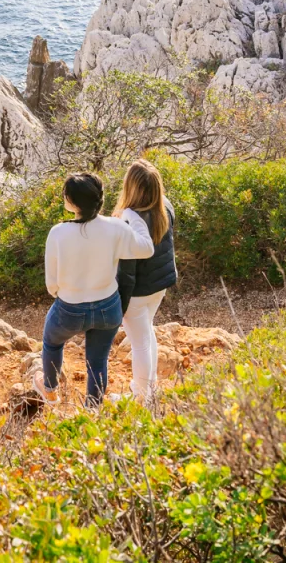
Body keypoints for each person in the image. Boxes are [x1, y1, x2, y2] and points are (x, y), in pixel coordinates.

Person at [33, 172, 154, 407]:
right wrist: (133, 216)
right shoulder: (116, 227)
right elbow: (146, 249)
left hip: (69, 309)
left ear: (71, 201)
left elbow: (52, 284)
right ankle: (93, 410)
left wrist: (64, 293)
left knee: (52, 343)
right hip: (107, 308)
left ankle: (50, 391)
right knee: (97, 361)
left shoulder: (58, 233)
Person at [114, 159, 177, 403]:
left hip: (137, 292)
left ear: (131, 187)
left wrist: (119, 304)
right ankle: (149, 389)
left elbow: (126, 271)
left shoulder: (129, 220)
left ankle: (141, 398)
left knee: (139, 343)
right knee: (146, 332)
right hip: (158, 286)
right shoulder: (165, 206)